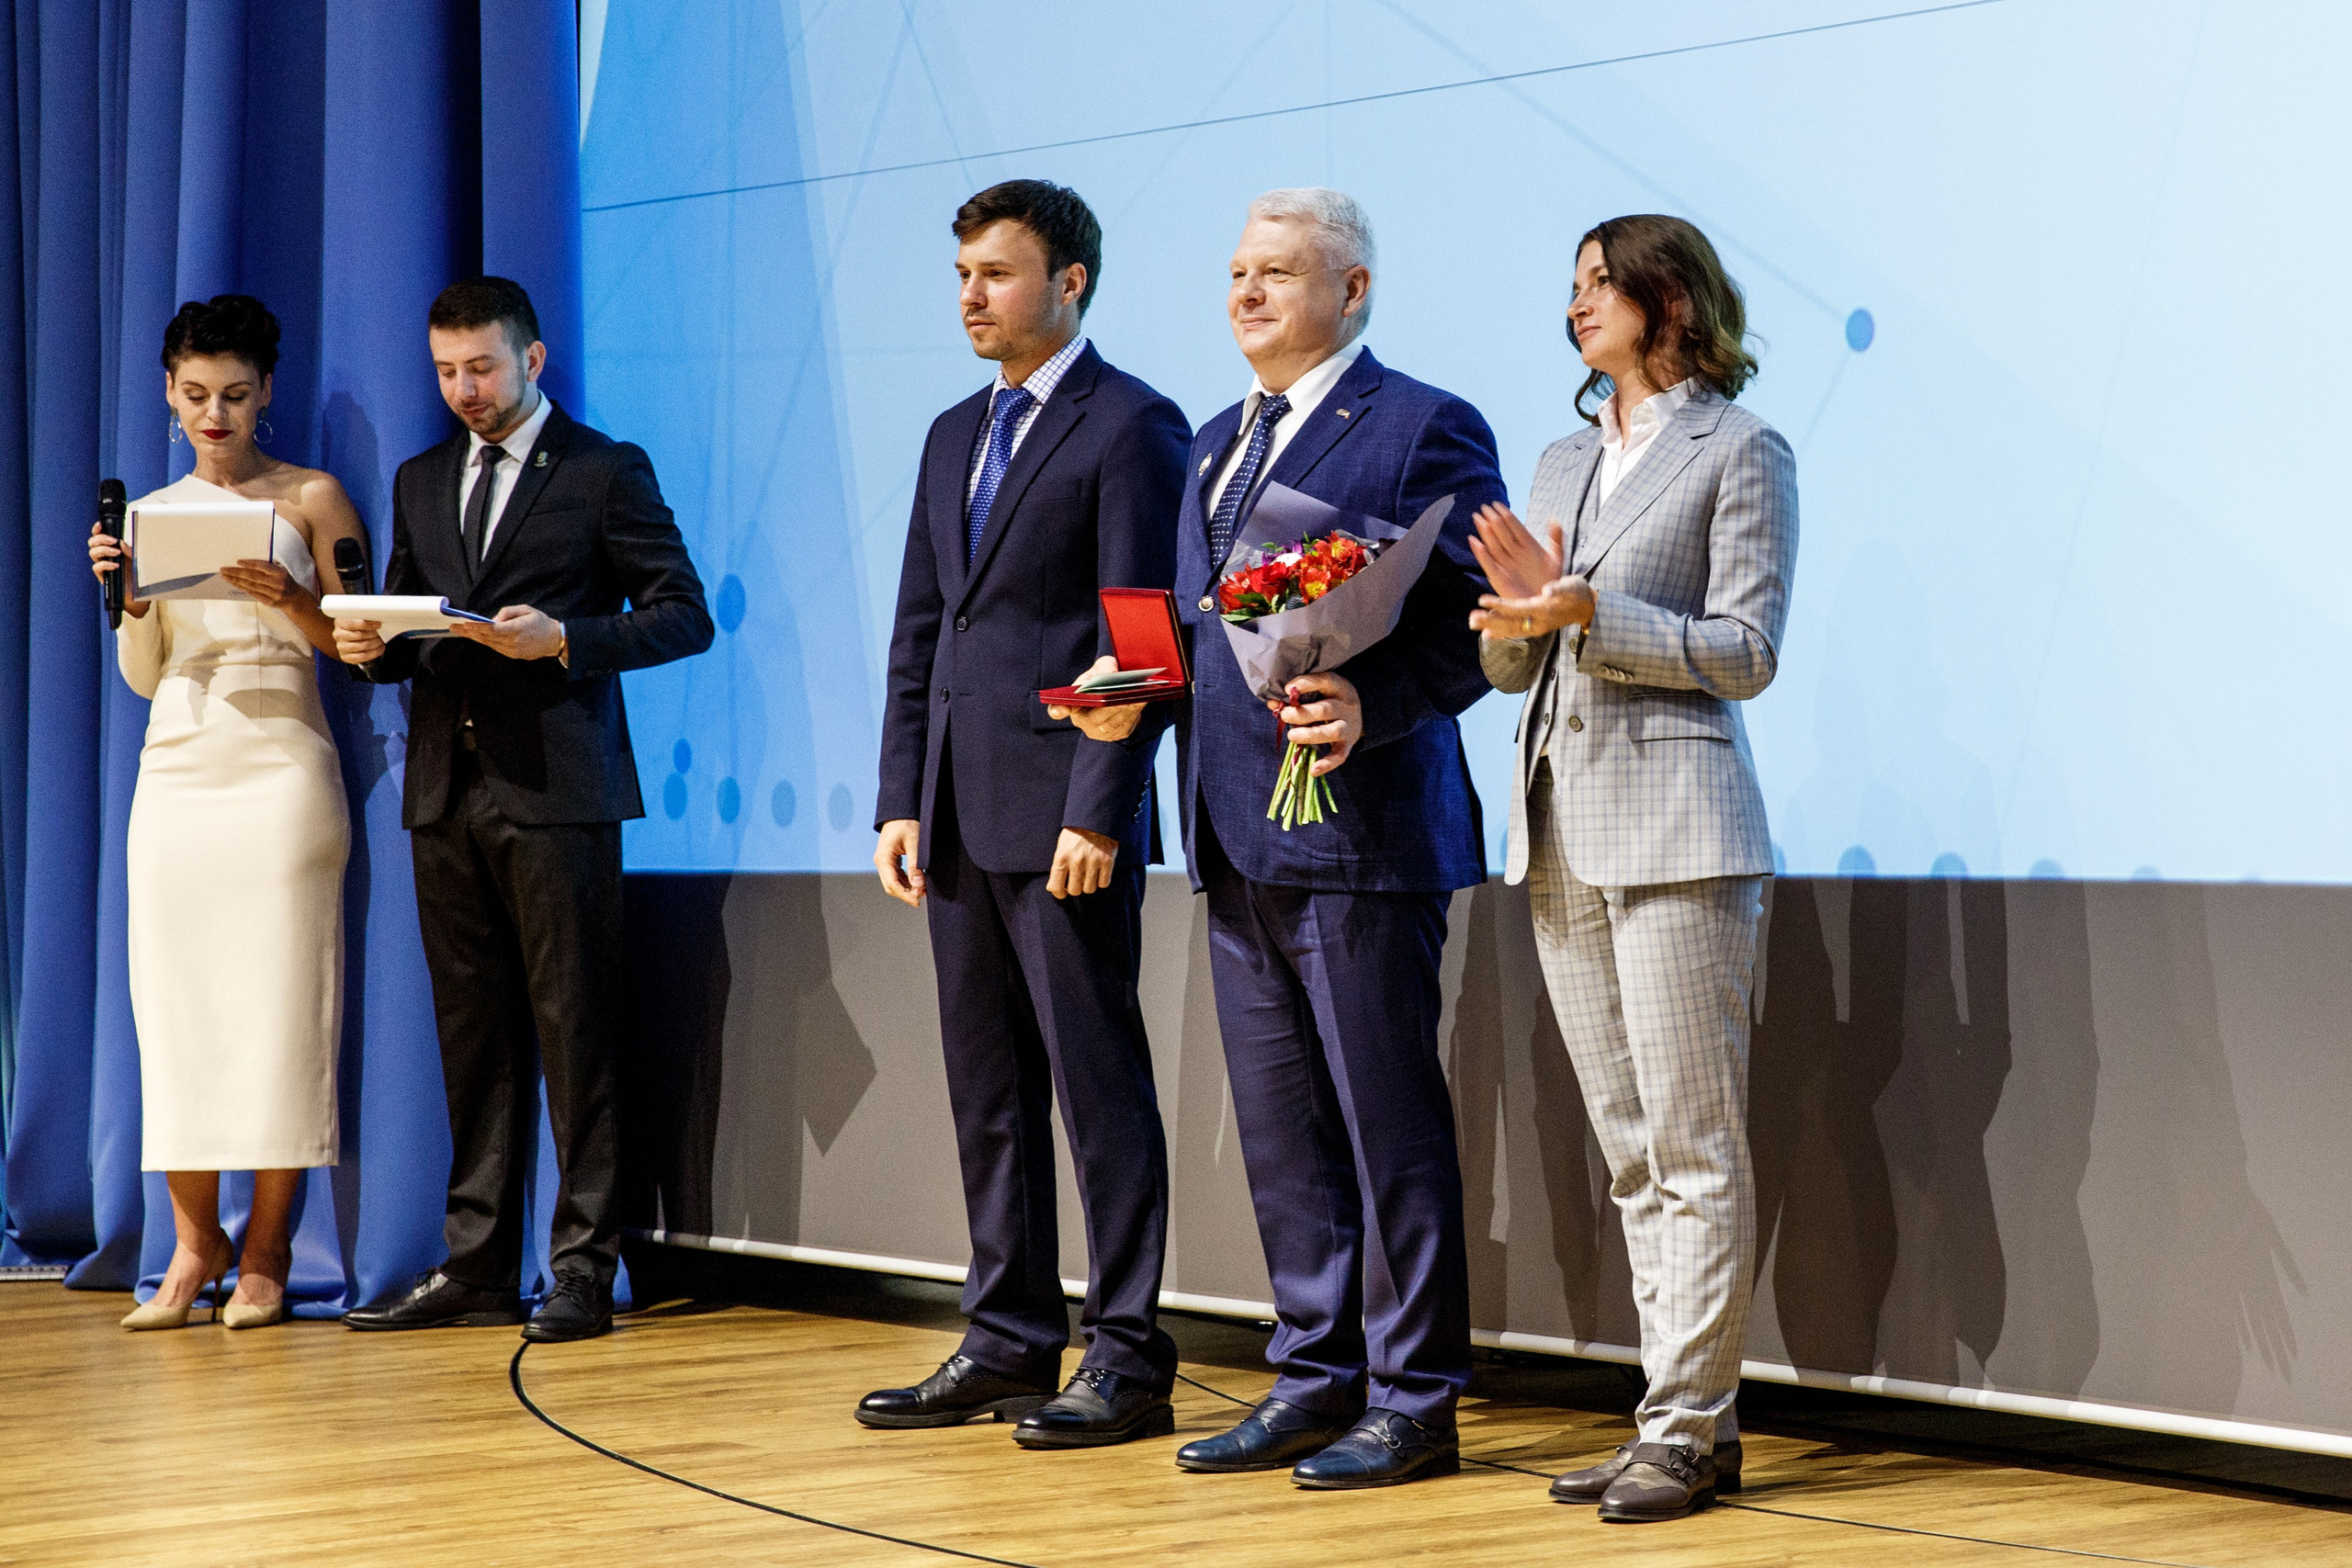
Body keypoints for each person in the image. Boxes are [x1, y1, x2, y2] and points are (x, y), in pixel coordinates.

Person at [1074, 189, 1503, 1487]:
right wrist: (1129, 685)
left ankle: (1415, 1392)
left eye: (1276, 272)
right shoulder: (1214, 440)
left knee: (1387, 1123)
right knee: (1281, 1129)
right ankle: (1315, 1373)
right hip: (1232, 829)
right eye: (1235, 271)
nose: (1245, 293)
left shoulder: (1425, 424)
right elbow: (1199, 633)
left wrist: (1381, 700)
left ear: (1351, 291)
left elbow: (1481, 621)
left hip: (1363, 828)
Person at [1467, 214, 1797, 1523]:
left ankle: (1689, 1422)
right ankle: (1678, 1416)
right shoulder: (1559, 455)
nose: (1577, 305)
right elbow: (1511, 662)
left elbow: (1747, 648)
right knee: (1630, 1152)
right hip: (1559, 823)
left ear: (1671, 300)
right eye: (1571, 288)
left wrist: (1591, 611)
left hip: (1680, 826)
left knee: (1693, 1142)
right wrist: (1509, 623)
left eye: (1601, 283)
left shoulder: (1743, 446)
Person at [863, 180, 1191, 1448]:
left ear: (1071, 283)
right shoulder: (954, 432)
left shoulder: (1132, 424)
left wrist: (1101, 801)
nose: (971, 296)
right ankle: (1007, 1334)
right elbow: (920, 630)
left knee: (1097, 1087)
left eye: (996, 274)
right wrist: (902, 793)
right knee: (986, 1089)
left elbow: (1143, 641)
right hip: (953, 815)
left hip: (1066, 815)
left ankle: (1127, 1353)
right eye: (962, 275)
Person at [333, 276, 712, 1343]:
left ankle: (585, 1266)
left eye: (483, 367)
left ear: (532, 361)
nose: (465, 389)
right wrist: (370, 650)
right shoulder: (418, 479)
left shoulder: (602, 471)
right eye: (448, 371)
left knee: (576, 1030)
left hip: (558, 789)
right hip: (445, 796)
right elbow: (409, 628)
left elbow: (684, 615)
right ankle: (478, 1265)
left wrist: (568, 640)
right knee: (473, 1037)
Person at [89, 294, 365, 1331]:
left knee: (283, 1010)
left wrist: (289, 601)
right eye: (197, 395)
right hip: (179, 770)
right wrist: (132, 603)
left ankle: (266, 1252)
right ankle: (190, 1250)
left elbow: (359, 645)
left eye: (236, 396)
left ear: (266, 396)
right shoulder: (149, 515)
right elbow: (144, 678)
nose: (216, 415)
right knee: (180, 1013)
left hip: (283, 765)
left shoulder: (312, 499)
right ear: (169, 394)